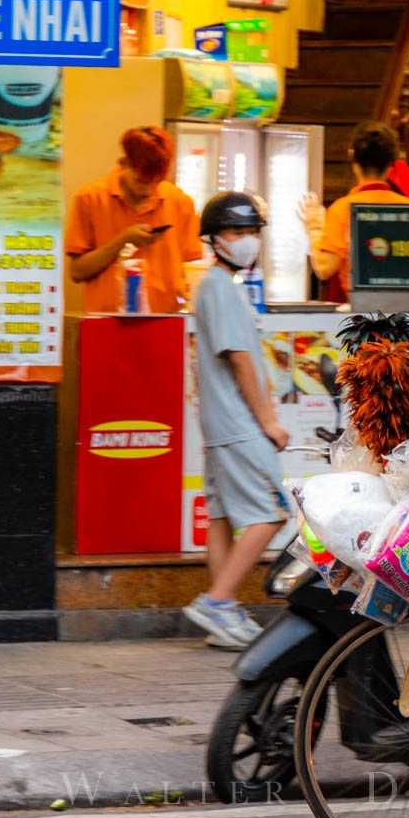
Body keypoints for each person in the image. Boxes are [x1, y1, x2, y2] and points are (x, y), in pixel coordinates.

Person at [181, 191, 290, 651]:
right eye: (236, 232)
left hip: (219, 424)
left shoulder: (214, 286)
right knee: (270, 512)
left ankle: (221, 614)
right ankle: (219, 600)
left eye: (252, 232)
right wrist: (269, 422)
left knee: (223, 517)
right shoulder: (220, 288)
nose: (246, 241)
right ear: (215, 239)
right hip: (240, 423)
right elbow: (241, 359)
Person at [65, 126, 201, 314]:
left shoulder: (181, 203)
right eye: (141, 181)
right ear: (123, 163)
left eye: (156, 181)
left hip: (166, 324)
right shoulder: (89, 198)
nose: (148, 189)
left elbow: (193, 270)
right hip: (106, 326)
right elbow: (77, 272)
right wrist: (123, 241)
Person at [302, 122, 409, 303]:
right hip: (405, 311)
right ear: (392, 164)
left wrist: (314, 227)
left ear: (352, 156)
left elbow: (325, 268)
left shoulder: (342, 209)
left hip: (359, 312)